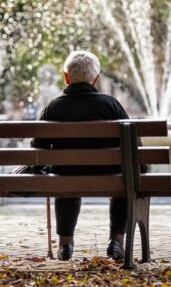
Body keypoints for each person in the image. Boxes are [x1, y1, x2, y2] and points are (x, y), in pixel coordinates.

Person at [31, 50, 137, 262]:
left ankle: (65, 244)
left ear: (66, 77)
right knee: (125, 181)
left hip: (67, 175)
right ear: (95, 79)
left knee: (64, 179)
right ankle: (116, 240)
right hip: (110, 176)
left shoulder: (53, 107)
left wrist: (41, 169)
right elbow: (133, 147)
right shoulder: (112, 105)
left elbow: (37, 150)